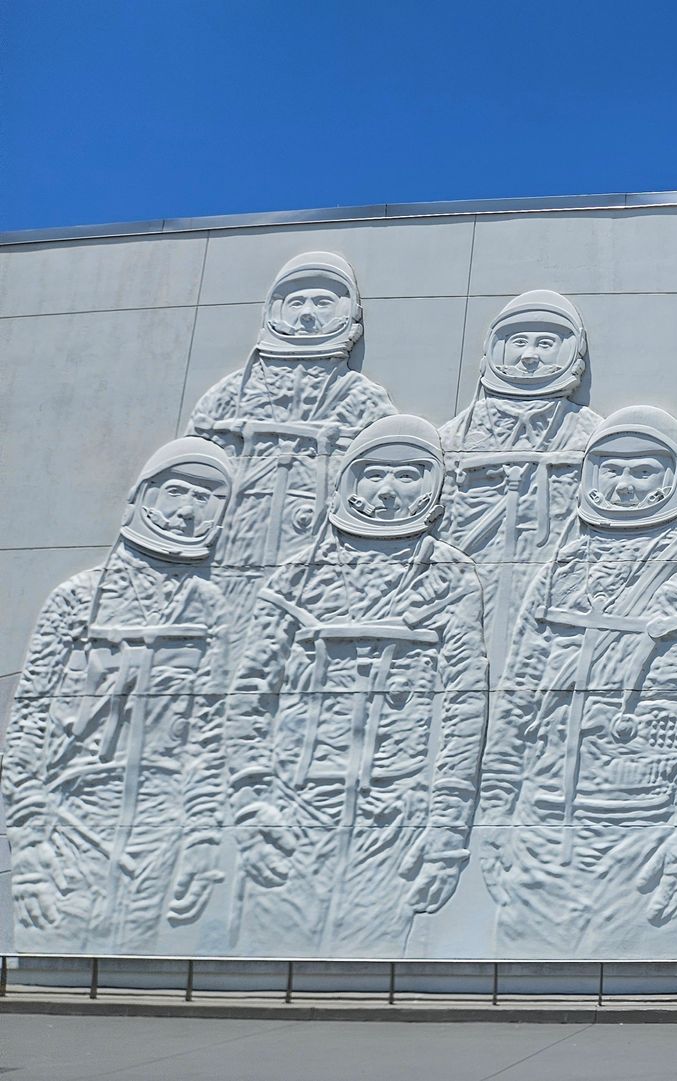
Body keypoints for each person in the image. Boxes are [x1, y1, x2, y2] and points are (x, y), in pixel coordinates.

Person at [479, 406, 677, 954]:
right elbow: (517, 699)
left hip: (644, 821)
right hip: (544, 815)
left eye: (644, 471)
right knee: (521, 960)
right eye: (612, 471)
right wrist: (495, 810)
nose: (624, 485)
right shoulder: (561, 568)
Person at [225, 415, 486, 954]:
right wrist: (251, 803)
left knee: (372, 951)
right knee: (270, 958)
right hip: (294, 804)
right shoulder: (298, 575)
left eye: (408, 475)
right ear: (348, 482)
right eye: (372, 475)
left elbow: (465, 706)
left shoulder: (450, 575)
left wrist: (446, 831)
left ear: (434, 485)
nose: (387, 490)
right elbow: (250, 692)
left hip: (396, 809)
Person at [4, 438, 235, 951]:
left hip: (160, 828)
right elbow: (27, 727)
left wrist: (200, 837)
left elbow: (210, 734)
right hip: (71, 819)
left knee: (134, 958)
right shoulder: (77, 598)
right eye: (176, 491)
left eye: (207, 498)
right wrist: (27, 841)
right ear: (143, 496)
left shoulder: (209, 606)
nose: (186, 510)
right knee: (55, 959)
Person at [187, 251, 395, 639]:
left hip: (325, 555)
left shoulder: (363, 398)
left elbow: (390, 481)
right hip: (235, 547)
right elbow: (191, 472)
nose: (307, 314)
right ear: (274, 310)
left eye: (322, 302)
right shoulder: (233, 394)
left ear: (348, 311)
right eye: (296, 302)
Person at [439, 290, 603, 669]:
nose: (530, 356)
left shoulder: (590, 434)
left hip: (555, 584)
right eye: (518, 342)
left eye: (545, 344)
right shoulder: (455, 436)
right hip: (472, 578)